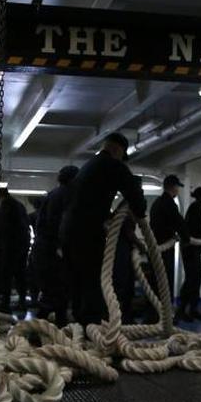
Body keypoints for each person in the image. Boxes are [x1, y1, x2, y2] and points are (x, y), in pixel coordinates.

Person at [61, 132, 146, 325]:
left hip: (69, 234)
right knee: (93, 287)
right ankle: (92, 335)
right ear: (118, 150)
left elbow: (85, 203)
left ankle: (79, 334)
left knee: (78, 287)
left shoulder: (88, 167)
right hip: (87, 237)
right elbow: (138, 203)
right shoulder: (114, 166)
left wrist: (109, 216)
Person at [34, 165, 78, 323]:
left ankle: (50, 326)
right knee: (57, 291)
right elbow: (59, 223)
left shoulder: (53, 194)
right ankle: (46, 327)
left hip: (44, 249)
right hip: (52, 251)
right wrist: (61, 247)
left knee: (52, 292)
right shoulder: (66, 195)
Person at [178, 187, 201, 322]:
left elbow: (196, 233)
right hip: (189, 248)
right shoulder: (197, 208)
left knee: (195, 280)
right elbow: (197, 230)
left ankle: (192, 310)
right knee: (192, 280)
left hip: (192, 248)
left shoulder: (196, 207)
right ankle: (181, 311)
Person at [148, 174, 187, 303]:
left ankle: (154, 312)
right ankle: (165, 314)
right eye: (177, 187)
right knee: (165, 281)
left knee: (155, 280)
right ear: (173, 187)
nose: (178, 190)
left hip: (155, 246)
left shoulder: (157, 203)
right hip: (164, 248)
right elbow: (179, 223)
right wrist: (187, 238)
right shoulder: (169, 203)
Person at [112, 176, 145, 323]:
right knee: (122, 285)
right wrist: (140, 245)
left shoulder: (127, 206)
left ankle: (126, 315)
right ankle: (122, 317)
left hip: (123, 249)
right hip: (121, 250)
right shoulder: (125, 208)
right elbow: (128, 231)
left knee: (127, 285)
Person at [0, 187, 31, 313]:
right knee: (21, 276)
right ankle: (22, 302)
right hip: (22, 247)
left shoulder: (5, 207)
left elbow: (1, 230)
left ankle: (5, 304)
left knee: (5, 278)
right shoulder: (19, 205)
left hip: (9, 249)